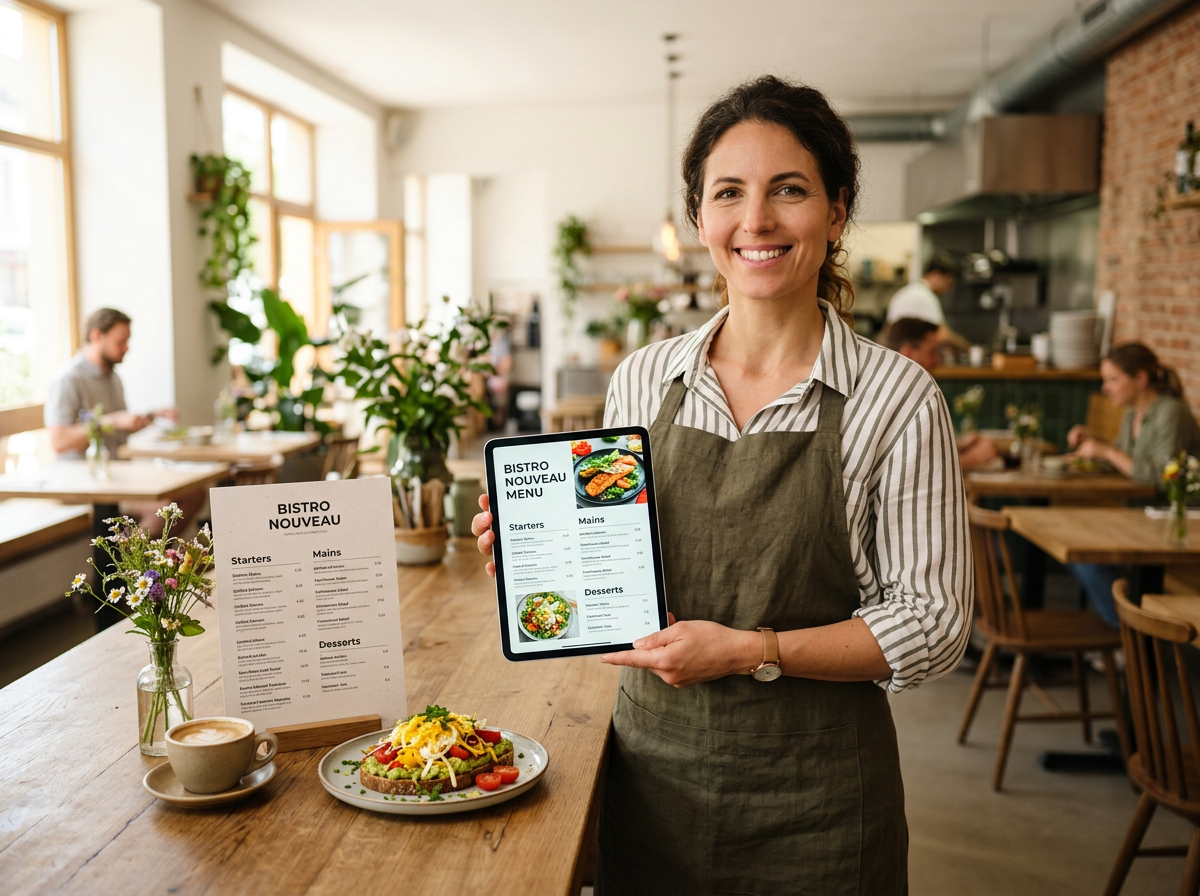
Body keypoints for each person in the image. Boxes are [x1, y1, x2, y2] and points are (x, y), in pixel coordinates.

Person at [473, 76, 971, 894]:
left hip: (824, 801)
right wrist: (538, 555)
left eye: (789, 190)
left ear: (836, 212)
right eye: (729, 192)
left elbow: (933, 625)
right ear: (700, 219)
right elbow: (616, 583)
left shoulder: (899, 399)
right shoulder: (643, 380)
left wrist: (750, 652)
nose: (757, 220)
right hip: (654, 782)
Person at [1065, 343, 1200, 627]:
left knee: (1087, 555)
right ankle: (1129, 630)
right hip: (1141, 517)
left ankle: (1130, 634)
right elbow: (1124, 460)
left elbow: (1162, 478)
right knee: (1075, 546)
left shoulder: (1171, 413)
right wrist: (1093, 443)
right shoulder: (1132, 413)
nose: (1106, 388)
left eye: (1113, 379)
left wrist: (1107, 451)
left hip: (1175, 521)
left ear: (1140, 378)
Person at [45, 307, 197, 536]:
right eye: (121, 342)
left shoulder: (113, 377)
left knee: (194, 494)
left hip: (117, 476)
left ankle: (138, 555)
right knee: (167, 509)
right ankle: (136, 557)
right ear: (97, 336)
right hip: (83, 482)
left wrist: (149, 417)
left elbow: (117, 429)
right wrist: (110, 421)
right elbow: (59, 441)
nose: (127, 348)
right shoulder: (69, 379)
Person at [883, 316, 998, 471]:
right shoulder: (891, 399)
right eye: (932, 352)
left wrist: (959, 447)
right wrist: (973, 458)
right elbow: (911, 470)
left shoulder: (908, 393)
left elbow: (919, 452)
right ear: (908, 353)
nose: (937, 360)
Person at [886, 253, 970, 350]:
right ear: (936, 274)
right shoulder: (925, 296)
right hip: (910, 353)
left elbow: (887, 330)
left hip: (897, 352)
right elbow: (942, 335)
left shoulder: (904, 292)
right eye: (948, 282)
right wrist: (967, 347)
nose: (948, 289)